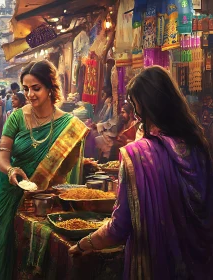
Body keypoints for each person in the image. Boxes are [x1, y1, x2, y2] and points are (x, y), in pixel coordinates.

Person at [69, 66, 213, 279]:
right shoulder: (198, 146)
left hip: (156, 265)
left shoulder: (137, 155)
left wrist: (84, 244)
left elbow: (119, 227)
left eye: (136, 107)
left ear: (144, 109)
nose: (135, 115)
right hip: (201, 264)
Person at [0, 60, 88, 279]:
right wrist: (11, 171)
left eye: (36, 88)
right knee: (7, 248)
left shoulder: (68, 125)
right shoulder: (17, 117)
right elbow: (3, 157)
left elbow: (65, 174)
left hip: (46, 201)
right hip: (12, 195)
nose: (30, 94)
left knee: (40, 260)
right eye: (26, 89)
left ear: (50, 88)